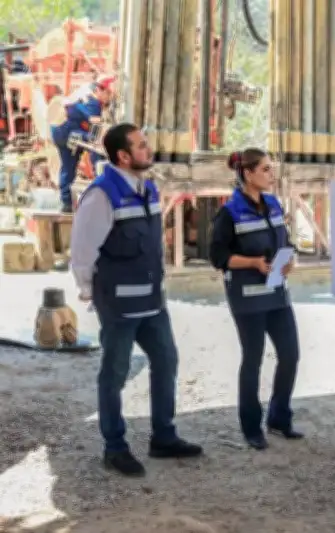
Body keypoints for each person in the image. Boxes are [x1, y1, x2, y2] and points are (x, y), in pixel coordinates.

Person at [70, 122, 203, 476]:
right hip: (119, 305)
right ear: (122, 155)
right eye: (141, 146)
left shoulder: (148, 188)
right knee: (114, 373)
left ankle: (163, 437)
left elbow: (153, 244)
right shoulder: (101, 195)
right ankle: (114, 447)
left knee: (166, 361)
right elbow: (82, 253)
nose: (149, 150)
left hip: (152, 301)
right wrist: (92, 293)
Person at [209, 148, 304, 451]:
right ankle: (252, 427)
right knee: (253, 359)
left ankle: (279, 418)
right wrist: (252, 263)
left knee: (290, 354)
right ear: (247, 174)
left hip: (276, 292)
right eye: (265, 169)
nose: (271, 173)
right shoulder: (230, 212)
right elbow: (218, 256)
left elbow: (285, 241)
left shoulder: (274, 204)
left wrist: (289, 260)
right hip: (247, 297)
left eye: (270, 168)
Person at [51, 76, 114, 213]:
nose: (109, 98)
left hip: (61, 129)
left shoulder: (86, 92)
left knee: (68, 167)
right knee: (98, 149)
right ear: (99, 90)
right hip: (67, 131)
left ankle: (67, 203)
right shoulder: (93, 103)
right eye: (108, 94)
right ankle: (101, 185)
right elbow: (96, 127)